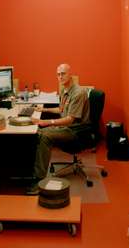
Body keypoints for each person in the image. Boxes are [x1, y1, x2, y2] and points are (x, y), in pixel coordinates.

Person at [26, 63, 90, 195]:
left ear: (70, 74)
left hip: (76, 130)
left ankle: (39, 180)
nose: (60, 77)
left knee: (44, 135)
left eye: (63, 74)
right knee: (35, 133)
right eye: (58, 74)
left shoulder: (78, 93)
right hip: (65, 127)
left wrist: (46, 122)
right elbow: (61, 110)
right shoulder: (64, 90)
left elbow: (70, 119)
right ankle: (30, 172)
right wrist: (43, 109)